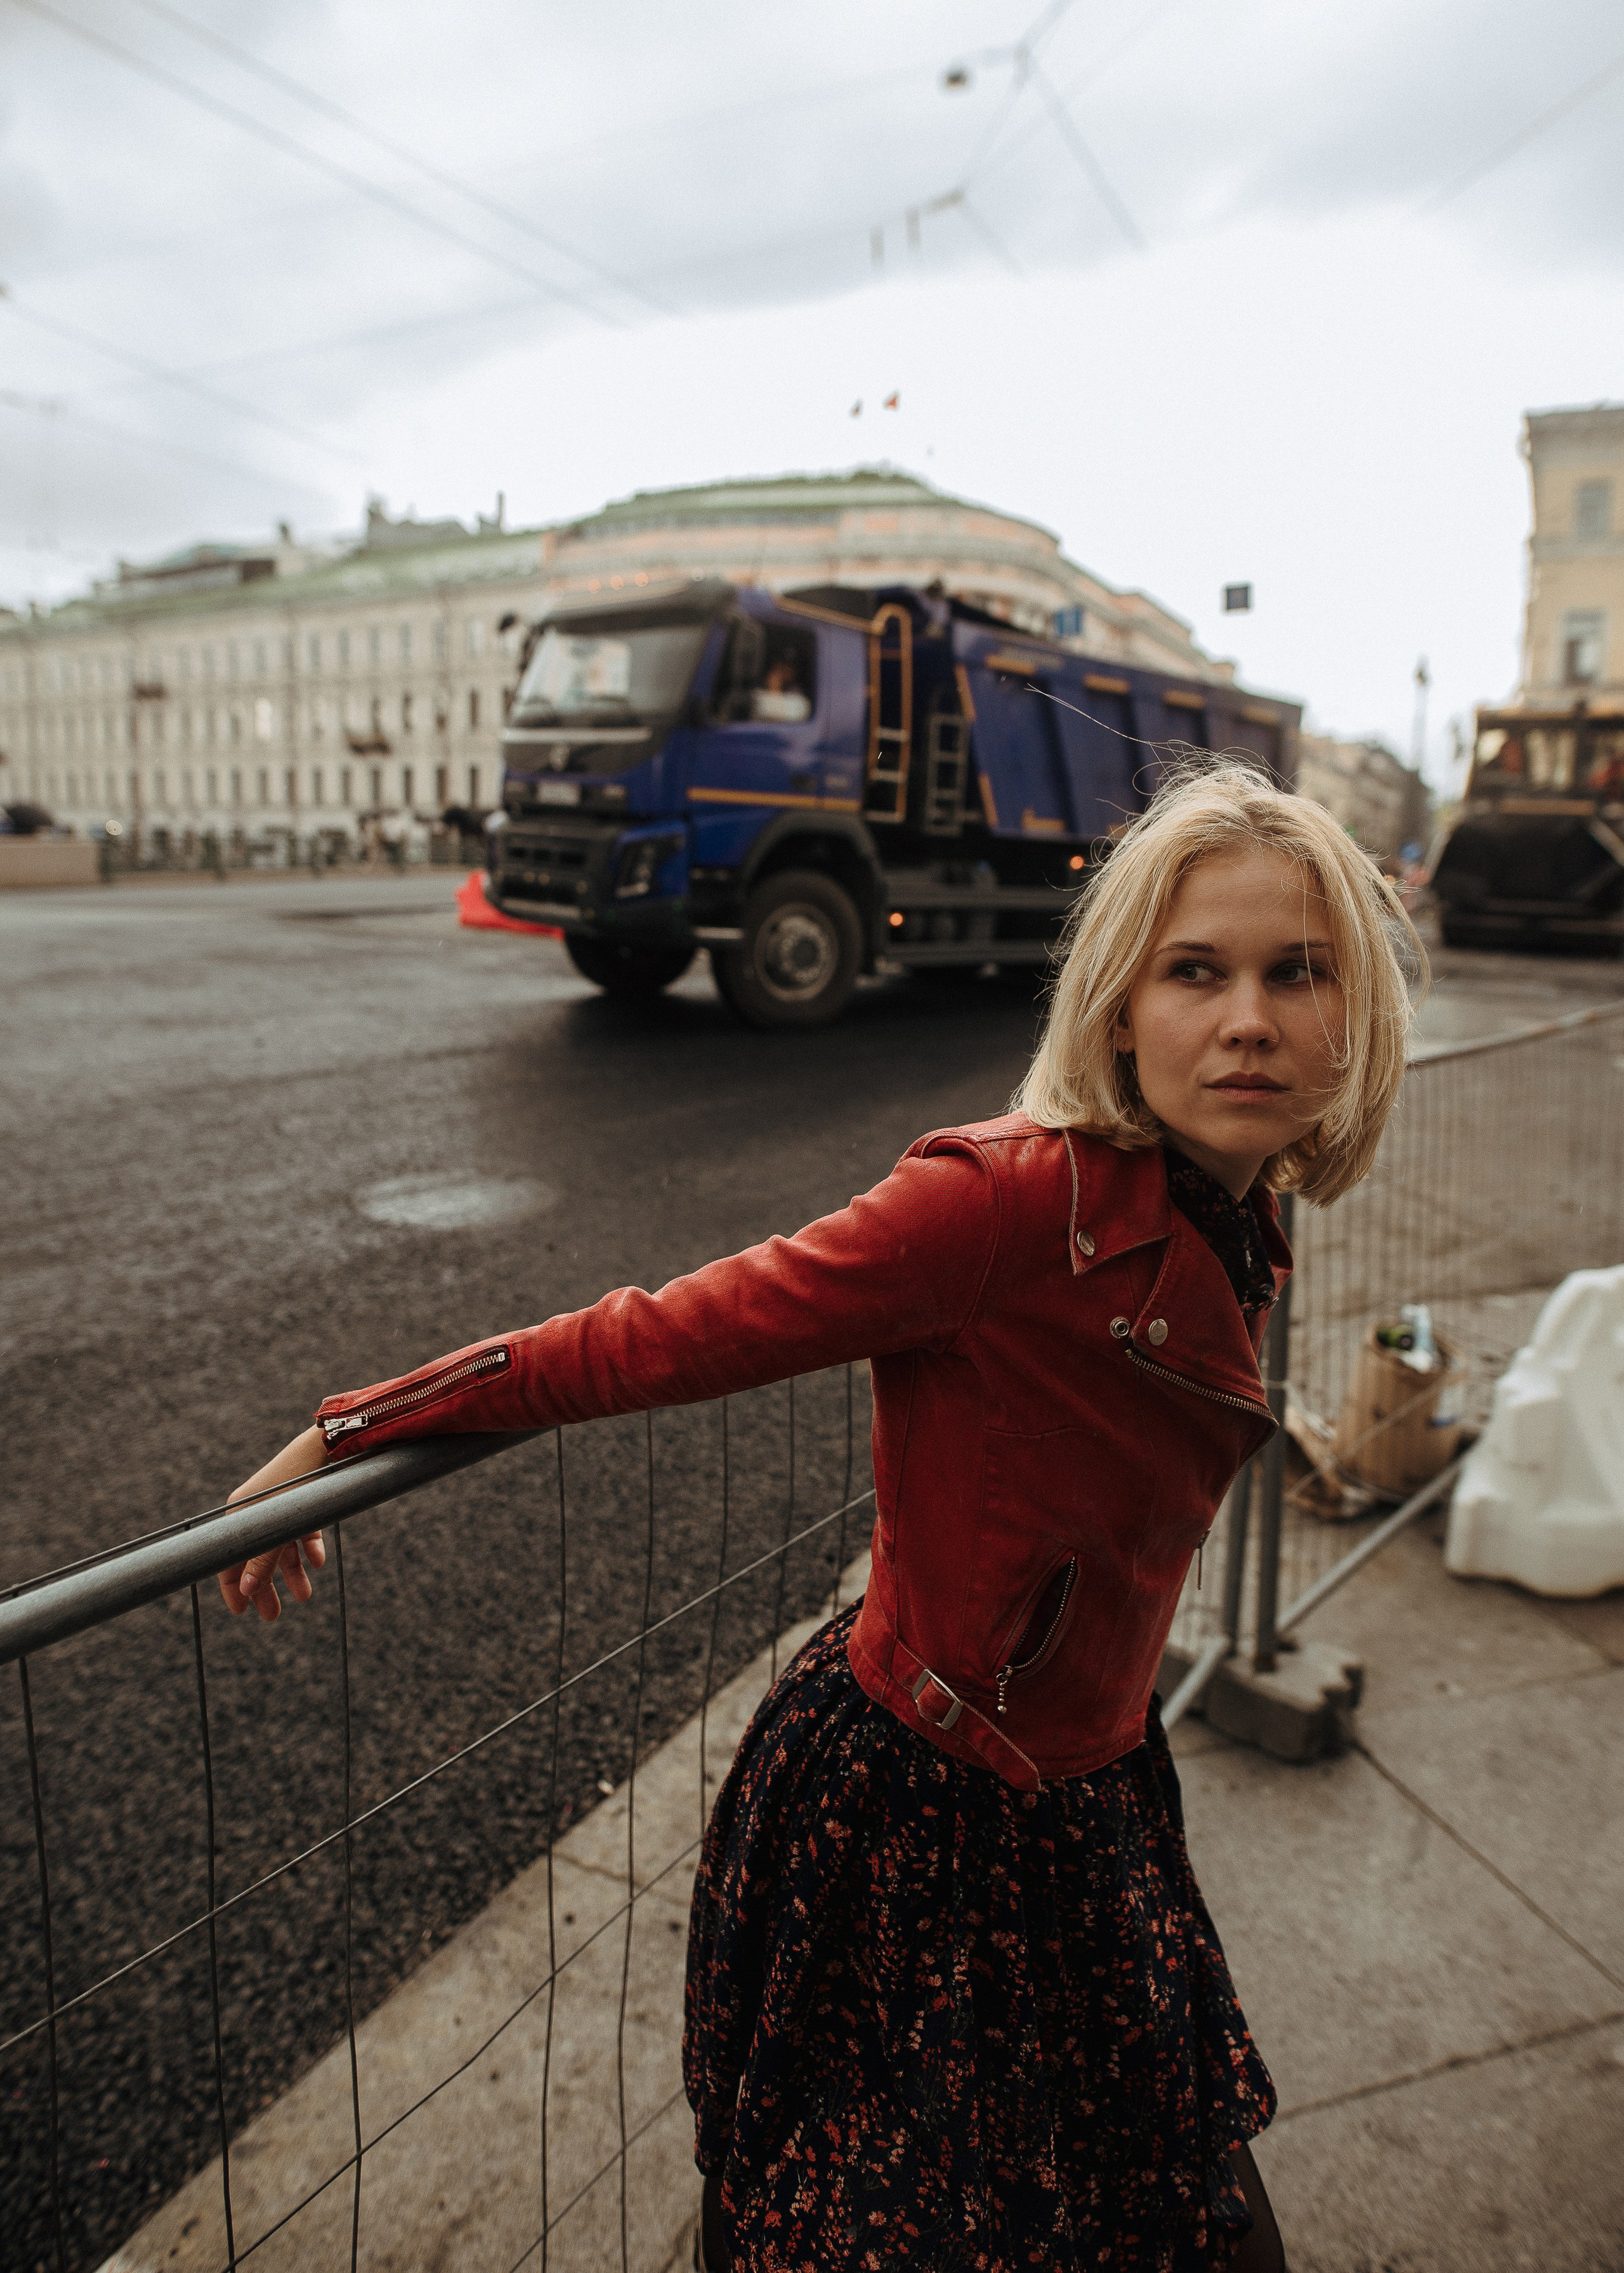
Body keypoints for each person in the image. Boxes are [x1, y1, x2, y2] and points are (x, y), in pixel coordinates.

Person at [219, 763, 1425, 2272]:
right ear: (1120, 1006)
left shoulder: (1237, 1212)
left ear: (1351, 1013)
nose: (1246, 1016)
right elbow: (660, 1333)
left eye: (1293, 971)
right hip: (911, 1816)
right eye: (1195, 970)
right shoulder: (999, 1206)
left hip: (1092, 1806)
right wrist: (351, 1426)